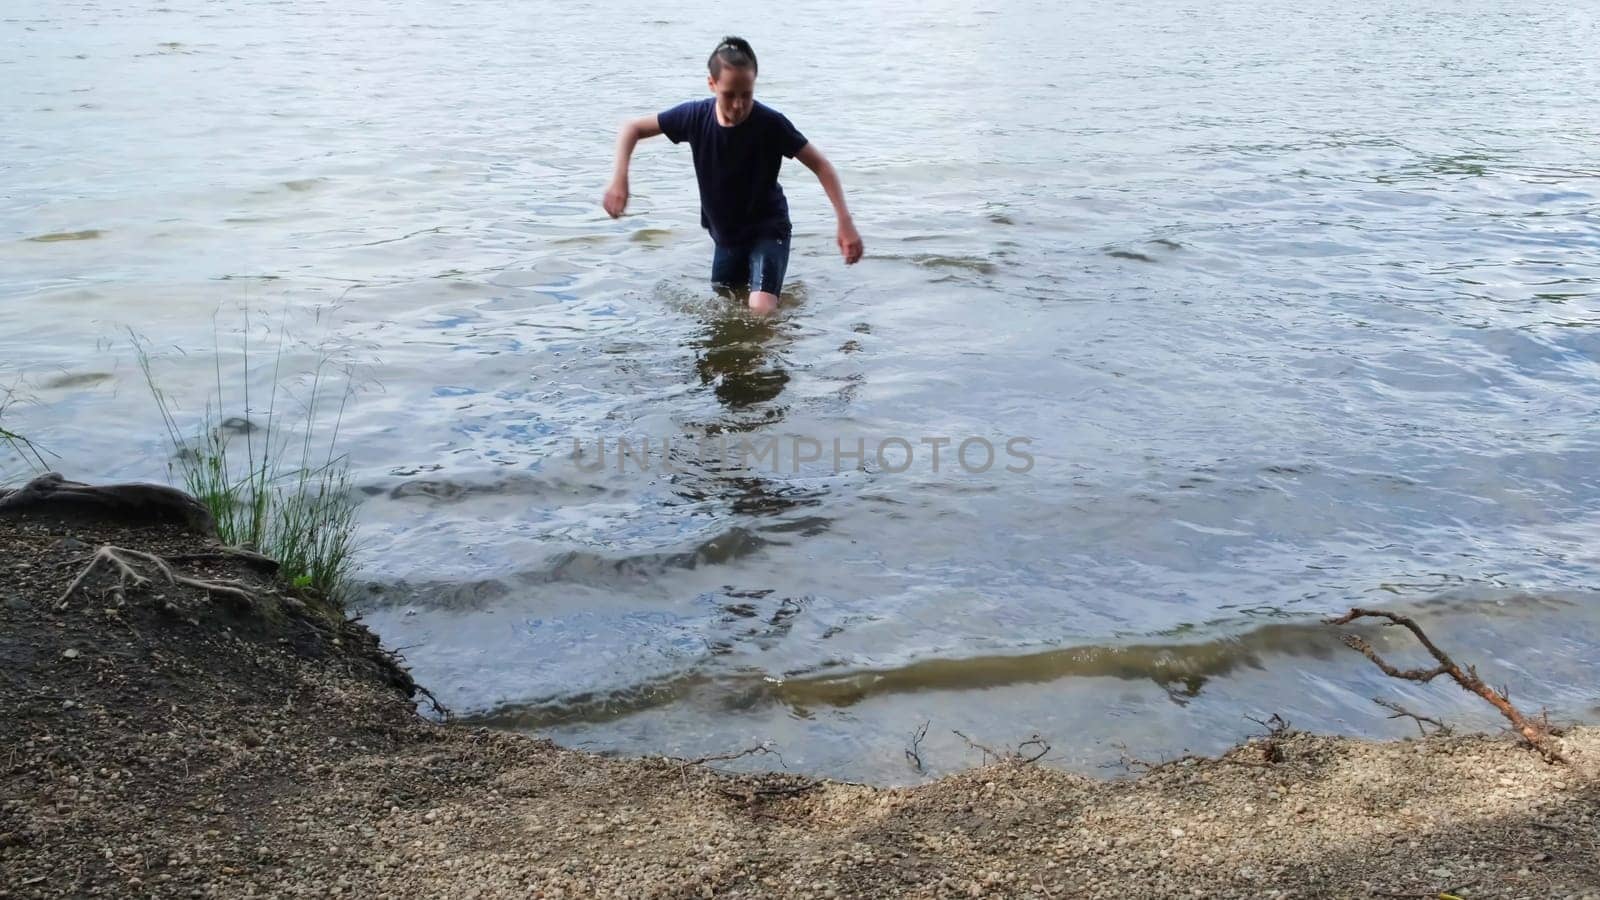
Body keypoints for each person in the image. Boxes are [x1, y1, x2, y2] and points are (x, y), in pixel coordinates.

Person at [603, 36, 863, 315]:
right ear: (712, 85)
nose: (739, 105)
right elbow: (632, 128)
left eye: (747, 95)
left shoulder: (770, 124)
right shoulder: (693, 117)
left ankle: (778, 333)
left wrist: (844, 221)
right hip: (727, 236)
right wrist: (620, 179)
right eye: (729, 95)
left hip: (768, 228)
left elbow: (821, 164)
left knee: (760, 311)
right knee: (725, 303)